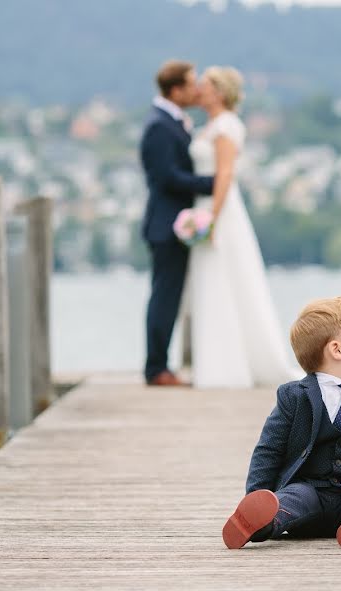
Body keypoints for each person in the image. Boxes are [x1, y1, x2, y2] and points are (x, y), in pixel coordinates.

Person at [221, 297, 341, 549]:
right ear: (337, 350)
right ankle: (262, 522)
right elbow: (269, 448)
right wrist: (257, 496)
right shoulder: (294, 396)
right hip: (310, 493)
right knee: (293, 498)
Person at [185, 66, 297, 388]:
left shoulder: (226, 126)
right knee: (211, 281)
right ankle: (214, 361)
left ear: (219, 92)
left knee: (226, 278)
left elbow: (224, 175)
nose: (199, 91)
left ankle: (229, 365)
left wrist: (211, 217)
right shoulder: (211, 125)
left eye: (205, 86)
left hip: (218, 209)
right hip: (205, 206)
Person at [139, 60, 213, 386]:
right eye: (192, 83)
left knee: (170, 296)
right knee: (164, 297)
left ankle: (160, 365)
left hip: (177, 224)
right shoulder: (159, 125)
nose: (196, 90)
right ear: (176, 90)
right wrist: (213, 183)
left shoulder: (173, 121)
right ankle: (156, 368)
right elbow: (166, 177)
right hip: (166, 225)